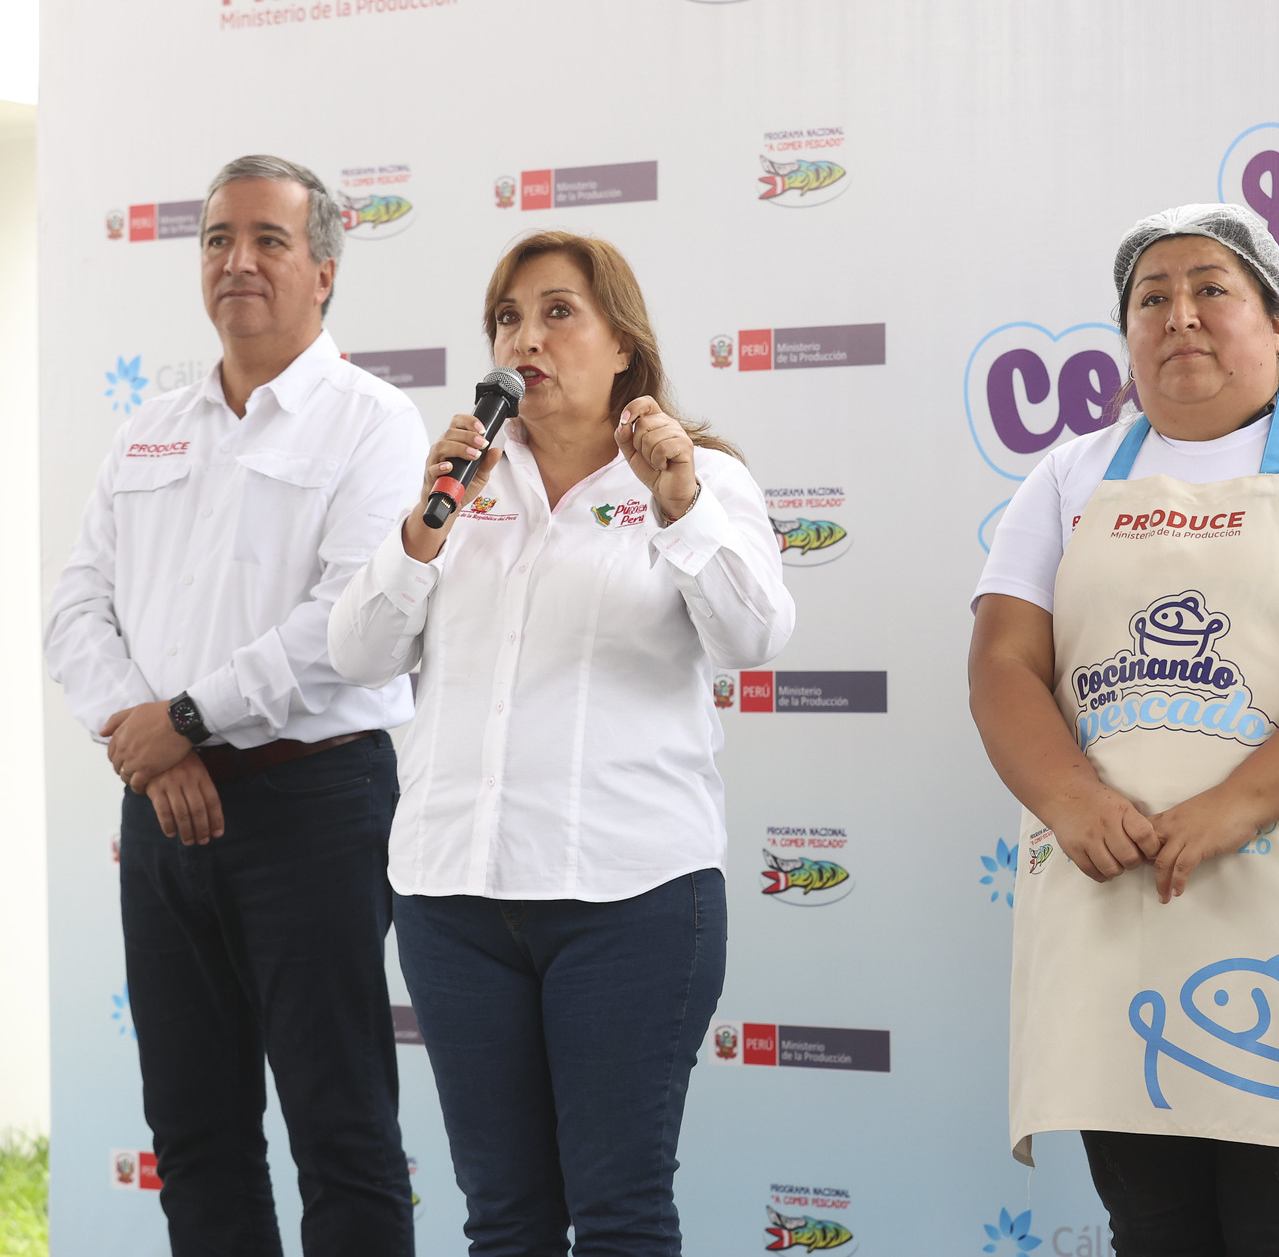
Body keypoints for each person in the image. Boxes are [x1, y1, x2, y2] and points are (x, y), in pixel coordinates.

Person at [968, 204, 1279, 1255]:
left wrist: (1232, 807)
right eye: (1151, 298)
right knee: (1148, 1226)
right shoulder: (1067, 476)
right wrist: (1070, 799)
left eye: (1210, 289)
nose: (1178, 315)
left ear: (1278, 321)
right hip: (1114, 894)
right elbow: (1003, 662)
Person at [328, 230, 795, 1257]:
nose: (524, 338)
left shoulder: (700, 478)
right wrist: (423, 527)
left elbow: (753, 638)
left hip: (627, 902)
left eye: (556, 312)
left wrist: (676, 505)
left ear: (622, 343)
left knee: (620, 1214)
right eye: (506, 317)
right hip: (454, 901)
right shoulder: (459, 487)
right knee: (504, 1220)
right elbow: (356, 650)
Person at [45, 155, 426, 1255]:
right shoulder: (149, 429)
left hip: (313, 805)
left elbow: (348, 626)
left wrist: (190, 718)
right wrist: (155, 746)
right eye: (218, 239)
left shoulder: (373, 424)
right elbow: (75, 609)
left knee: (341, 1131)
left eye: (268, 239)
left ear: (325, 273)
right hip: (161, 810)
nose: (238, 261)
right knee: (196, 1131)